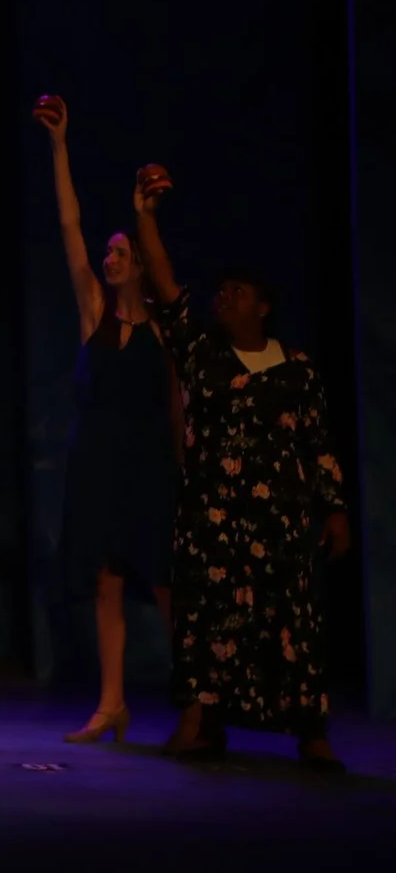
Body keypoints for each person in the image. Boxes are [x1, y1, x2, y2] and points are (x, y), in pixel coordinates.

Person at [136, 170, 351, 771]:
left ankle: (310, 732)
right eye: (221, 290)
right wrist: (146, 217)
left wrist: (334, 510)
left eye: (237, 291)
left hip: (279, 524)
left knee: (292, 625)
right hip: (213, 521)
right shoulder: (203, 354)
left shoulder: (297, 369)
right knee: (209, 622)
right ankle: (204, 723)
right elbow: (166, 286)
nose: (223, 298)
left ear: (263, 305)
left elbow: (318, 442)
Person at [33, 99, 180, 745]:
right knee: (105, 581)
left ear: (141, 263)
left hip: (147, 462)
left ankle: (195, 700)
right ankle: (111, 702)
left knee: (164, 579)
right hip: (96, 459)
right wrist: (59, 146)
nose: (110, 256)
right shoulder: (95, 312)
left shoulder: (165, 328)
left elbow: (175, 403)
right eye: (110, 250)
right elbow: (69, 226)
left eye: (121, 250)